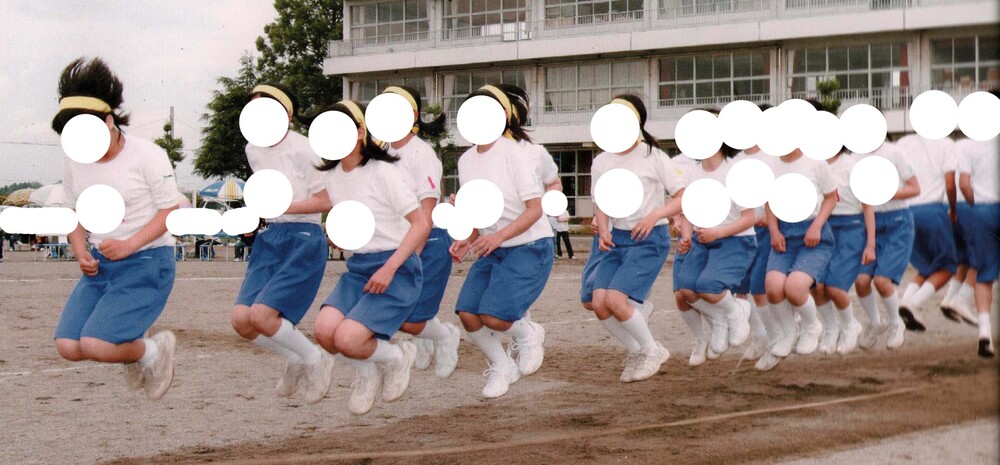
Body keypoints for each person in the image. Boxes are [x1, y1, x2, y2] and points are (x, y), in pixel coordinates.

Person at [51, 57, 179, 400]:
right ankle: (134, 349)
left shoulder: (147, 155)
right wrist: (80, 251)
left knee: (97, 344)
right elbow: (75, 211)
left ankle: (155, 350)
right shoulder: (74, 160)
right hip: (101, 264)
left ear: (109, 122)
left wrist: (128, 245)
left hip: (148, 260)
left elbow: (170, 211)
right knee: (68, 345)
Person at [311, 99, 429, 415]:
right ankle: (368, 373)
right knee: (324, 332)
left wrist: (390, 268)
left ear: (361, 131)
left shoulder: (384, 172)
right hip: (359, 267)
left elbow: (420, 224)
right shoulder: (333, 176)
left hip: (396, 267)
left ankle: (398, 357)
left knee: (348, 339)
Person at [230, 83, 335, 404]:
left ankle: (316, 359)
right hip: (270, 237)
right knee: (242, 321)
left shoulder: (304, 148)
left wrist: (284, 206)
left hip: (303, 237)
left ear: (286, 114)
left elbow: (326, 200)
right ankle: (295, 357)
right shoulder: (253, 149)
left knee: (263, 317)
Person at [449, 85, 552, 398]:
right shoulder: (466, 160)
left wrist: (497, 237)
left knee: (494, 315)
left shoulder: (515, 154)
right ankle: (502, 365)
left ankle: (528, 333)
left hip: (530, 246)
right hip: (493, 248)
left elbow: (535, 209)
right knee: (468, 313)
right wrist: (465, 238)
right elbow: (480, 212)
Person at [590, 95, 684, 382]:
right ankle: (637, 350)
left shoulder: (654, 156)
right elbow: (601, 204)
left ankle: (652, 350)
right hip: (615, 239)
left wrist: (655, 215)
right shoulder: (601, 161)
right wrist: (603, 229)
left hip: (648, 239)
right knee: (599, 303)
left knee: (616, 300)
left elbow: (682, 197)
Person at [380, 86, 461, 380]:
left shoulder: (421, 153)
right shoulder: (380, 153)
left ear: (412, 114)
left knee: (409, 320)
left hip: (428, 242)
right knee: (402, 313)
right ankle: (426, 336)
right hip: (397, 243)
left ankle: (445, 336)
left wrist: (412, 253)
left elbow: (426, 210)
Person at [674, 134, 755, 364]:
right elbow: (689, 213)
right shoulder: (693, 172)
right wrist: (686, 237)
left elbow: (749, 218)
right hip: (704, 240)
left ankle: (736, 311)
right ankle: (719, 320)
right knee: (685, 288)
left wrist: (718, 232)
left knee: (708, 286)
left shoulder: (735, 170)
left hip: (737, 240)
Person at [764, 145, 838, 365]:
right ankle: (789, 332)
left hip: (813, 235)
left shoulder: (816, 162)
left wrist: (817, 226)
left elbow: (831, 197)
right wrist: (774, 231)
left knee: (795, 288)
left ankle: (812, 326)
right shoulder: (770, 165)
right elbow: (769, 202)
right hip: (784, 234)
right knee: (773, 286)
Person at [853, 140, 920, 350]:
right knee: (861, 281)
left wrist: (885, 192)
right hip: (871, 223)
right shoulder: (856, 158)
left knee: (882, 280)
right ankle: (875, 322)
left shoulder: (895, 153)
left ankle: (896, 322)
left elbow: (915, 188)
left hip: (898, 222)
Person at [894, 134, 962, 327]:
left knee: (927, 266)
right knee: (948, 266)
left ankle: (904, 302)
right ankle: (913, 303)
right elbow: (950, 184)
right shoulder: (946, 144)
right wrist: (953, 209)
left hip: (906, 211)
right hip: (932, 210)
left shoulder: (903, 143)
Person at [811, 148, 874, 356]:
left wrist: (870, 243)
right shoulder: (815, 164)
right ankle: (831, 328)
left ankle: (850, 325)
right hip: (825, 226)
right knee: (816, 285)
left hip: (851, 228)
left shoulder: (852, 165)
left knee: (835, 287)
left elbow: (868, 207)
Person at [956, 130, 998, 358]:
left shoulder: (969, 146)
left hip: (983, 210)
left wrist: (977, 205)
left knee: (984, 274)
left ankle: (985, 332)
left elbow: (964, 184)